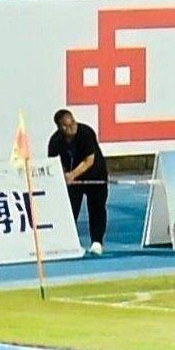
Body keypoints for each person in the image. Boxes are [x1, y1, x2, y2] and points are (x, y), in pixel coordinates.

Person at [47, 107, 107, 255]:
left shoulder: (86, 132)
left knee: (97, 208)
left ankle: (97, 242)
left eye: (73, 122)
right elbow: (54, 163)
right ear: (60, 127)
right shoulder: (55, 141)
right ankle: (69, 242)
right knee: (70, 209)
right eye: (67, 125)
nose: (72, 127)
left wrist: (72, 174)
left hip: (95, 176)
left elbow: (89, 160)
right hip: (72, 181)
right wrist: (63, 175)